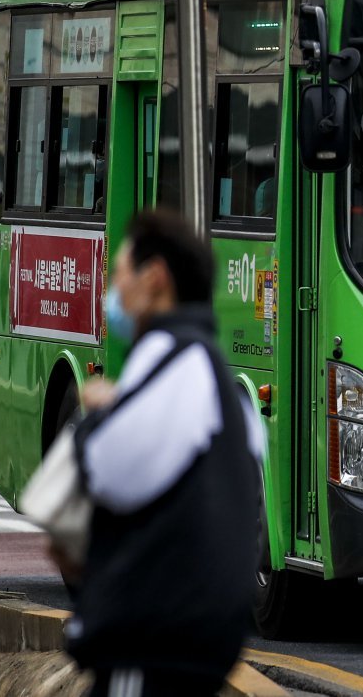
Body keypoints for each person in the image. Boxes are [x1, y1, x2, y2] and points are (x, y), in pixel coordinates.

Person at [56, 209, 263, 697]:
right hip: (198, 642)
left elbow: (102, 469)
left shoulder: (174, 361)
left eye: (120, 276)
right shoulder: (211, 372)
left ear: (155, 280)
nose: (113, 293)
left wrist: (96, 420)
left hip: (154, 644)